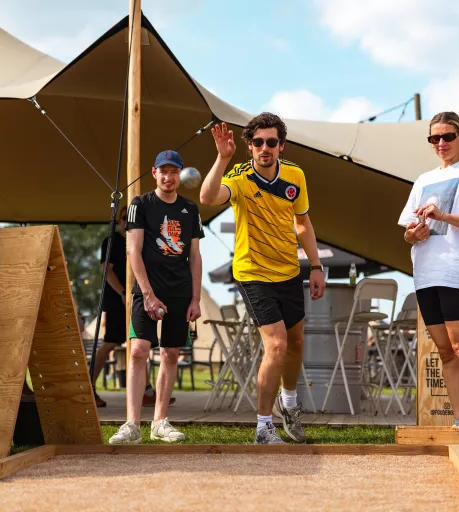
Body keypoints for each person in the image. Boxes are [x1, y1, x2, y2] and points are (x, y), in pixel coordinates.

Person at [200, 113, 326, 445]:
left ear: (281, 145)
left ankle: (289, 404)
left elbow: (303, 224)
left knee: (296, 344)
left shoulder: (295, 175)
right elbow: (207, 198)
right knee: (277, 345)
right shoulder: (239, 177)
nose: (265, 148)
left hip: (289, 271)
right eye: (258, 142)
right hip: (253, 273)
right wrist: (222, 159)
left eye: (271, 142)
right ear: (250, 147)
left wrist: (315, 267)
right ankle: (263, 427)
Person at [398, 111, 459, 450]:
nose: (441, 143)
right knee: (445, 353)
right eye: (434, 138)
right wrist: (415, 233)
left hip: (458, 272)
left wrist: (442, 216)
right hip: (425, 274)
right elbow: (407, 232)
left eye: (447, 136)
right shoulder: (423, 179)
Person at [108, 150, 204, 444]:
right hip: (145, 291)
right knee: (137, 351)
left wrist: (195, 299)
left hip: (179, 292)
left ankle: (160, 421)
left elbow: (196, 257)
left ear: (180, 174)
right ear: (154, 173)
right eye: (163, 171)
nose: (169, 177)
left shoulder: (190, 209)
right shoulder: (140, 205)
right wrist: (148, 295)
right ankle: (132, 424)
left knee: (171, 353)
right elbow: (132, 251)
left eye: (174, 171)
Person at [92, 208, 173, 408]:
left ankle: (146, 391)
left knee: (139, 342)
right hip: (117, 299)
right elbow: (106, 271)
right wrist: (121, 293)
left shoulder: (142, 241)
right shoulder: (112, 241)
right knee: (109, 344)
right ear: (119, 221)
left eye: (133, 219)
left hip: (136, 298)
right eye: (125, 218)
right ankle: (88, 389)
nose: (128, 222)